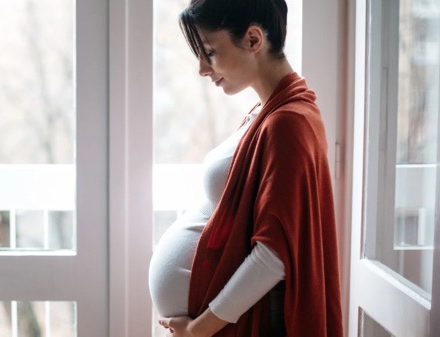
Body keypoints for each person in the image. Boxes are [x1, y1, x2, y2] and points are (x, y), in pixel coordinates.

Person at [147, 0, 344, 336]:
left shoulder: (288, 123)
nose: (202, 68)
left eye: (210, 51)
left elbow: (275, 255)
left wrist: (199, 329)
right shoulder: (266, 112)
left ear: (253, 40)